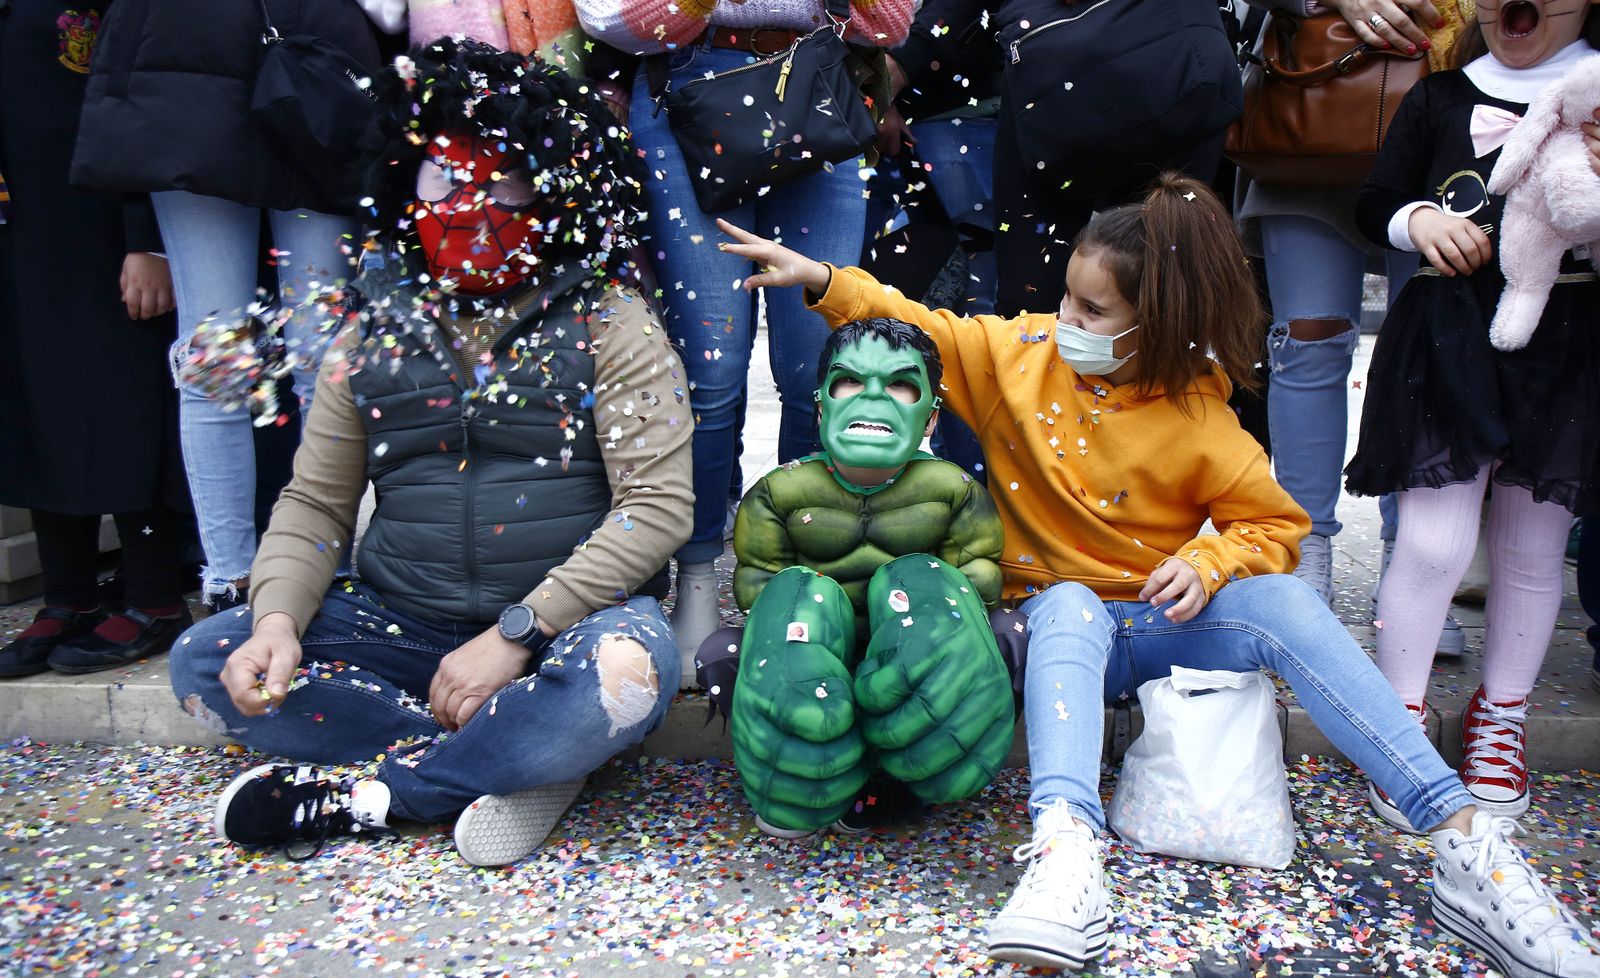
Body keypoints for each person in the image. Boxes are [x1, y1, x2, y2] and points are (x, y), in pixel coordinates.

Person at [713, 175, 1600, 976]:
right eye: (1068, 295)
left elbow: (1277, 528)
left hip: (1153, 625)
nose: (1066, 318)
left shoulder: (1200, 417)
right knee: (1067, 602)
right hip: (1045, 628)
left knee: (1283, 600)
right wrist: (821, 280)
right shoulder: (1019, 354)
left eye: (1092, 309)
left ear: (1158, 323)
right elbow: (924, 327)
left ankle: (1467, 845)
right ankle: (1065, 852)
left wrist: (1209, 561)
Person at [167, 40, 694, 867]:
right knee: (207, 659)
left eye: (505, 183)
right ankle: (519, 759)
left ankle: (386, 794)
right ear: (402, 186)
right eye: (445, 181)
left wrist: (518, 633)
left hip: (571, 628)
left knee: (625, 672)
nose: (472, 207)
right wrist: (276, 621)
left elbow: (655, 510)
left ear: (556, 192)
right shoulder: (370, 331)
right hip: (401, 619)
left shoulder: (612, 318)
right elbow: (316, 504)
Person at [574, 0, 914, 680]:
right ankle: (697, 578)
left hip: (816, 80)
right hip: (688, 84)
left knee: (820, 369)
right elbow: (604, 15)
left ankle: (810, 575)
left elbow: (891, 23)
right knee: (709, 371)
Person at [1344, 1, 1600, 823]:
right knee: (1430, 542)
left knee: (1532, 547)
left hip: (1566, 341)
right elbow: (1374, 201)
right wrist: (1417, 219)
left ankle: (1503, 718)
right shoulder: (1441, 95)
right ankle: (1399, 721)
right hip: (1448, 335)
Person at [70, 0, 382, 610]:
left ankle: (319, 573)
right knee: (225, 360)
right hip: (200, 77)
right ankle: (235, 579)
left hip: (300, 70)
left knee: (317, 359)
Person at [699, 317, 1013, 838]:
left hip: (916, 663)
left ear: (931, 418)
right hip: (815, 660)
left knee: (990, 624)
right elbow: (759, 592)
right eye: (850, 380)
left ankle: (902, 779)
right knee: (735, 641)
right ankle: (794, 765)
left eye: (900, 383)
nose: (873, 397)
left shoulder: (955, 491)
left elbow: (978, 586)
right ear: (821, 406)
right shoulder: (778, 493)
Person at [1235, 0, 1471, 661]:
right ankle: (1304, 547)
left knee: (1432, 347)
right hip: (1317, 103)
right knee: (1307, 342)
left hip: (1451, 106)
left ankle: (1415, 563)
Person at [0, 0, 191, 676]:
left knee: (121, 397)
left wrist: (148, 240)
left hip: (100, 226)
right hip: (22, 232)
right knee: (36, 403)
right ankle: (69, 594)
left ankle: (154, 595)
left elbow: (137, 93)